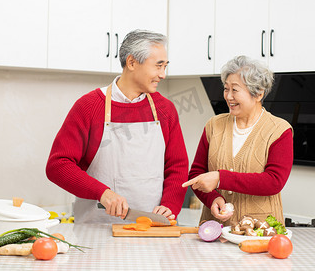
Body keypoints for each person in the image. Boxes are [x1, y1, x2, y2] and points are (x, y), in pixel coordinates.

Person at [46, 30, 188, 224]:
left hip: (153, 227)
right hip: (96, 228)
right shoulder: (89, 107)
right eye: (158, 66)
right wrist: (102, 193)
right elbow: (58, 165)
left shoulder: (165, 110)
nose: (163, 75)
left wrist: (169, 206)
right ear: (131, 63)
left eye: (165, 66)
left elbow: (177, 166)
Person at [182, 55, 293, 226]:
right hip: (215, 229)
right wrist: (212, 199)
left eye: (235, 90)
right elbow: (197, 174)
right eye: (226, 89)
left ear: (258, 94)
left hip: (260, 231)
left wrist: (220, 179)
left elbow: (274, 181)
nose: (228, 96)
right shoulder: (214, 125)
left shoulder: (279, 130)